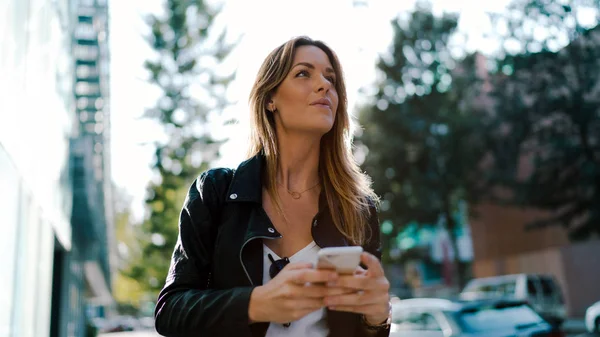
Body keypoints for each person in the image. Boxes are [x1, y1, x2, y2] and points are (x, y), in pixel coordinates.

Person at [154, 36, 392, 337]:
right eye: (304, 73)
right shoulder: (215, 192)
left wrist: (377, 317)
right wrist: (256, 304)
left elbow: (366, 330)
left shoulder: (359, 208)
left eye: (330, 77)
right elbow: (170, 311)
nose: (324, 85)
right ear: (270, 99)